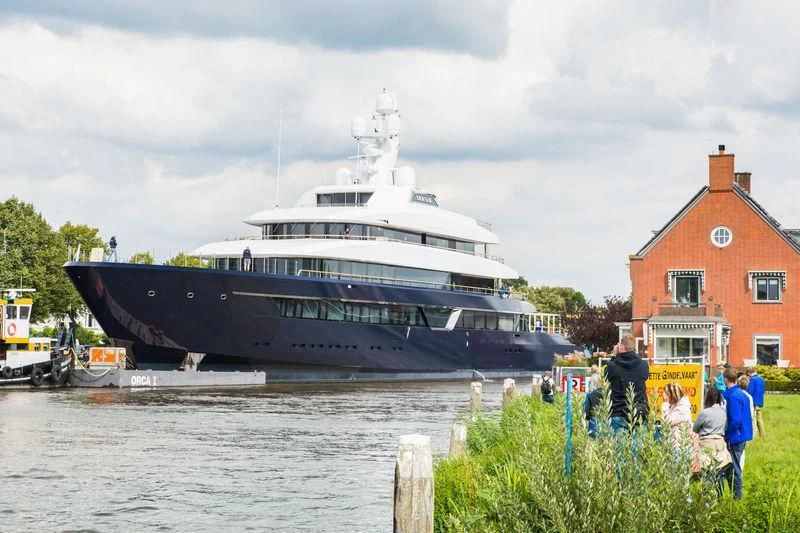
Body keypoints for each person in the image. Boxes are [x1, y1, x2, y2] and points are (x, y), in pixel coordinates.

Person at [692, 388, 733, 496]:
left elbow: (695, 428)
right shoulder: (723, 412)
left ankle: (706, 497)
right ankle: (720, 496)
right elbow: (726, 426)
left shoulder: (705, 413)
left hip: (707, 442)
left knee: (707, 472)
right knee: (719, 472)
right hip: (720, 442)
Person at [603, 335, 649, 431]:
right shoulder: (643, 365)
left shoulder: (613, 365)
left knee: (619, 444)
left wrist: (613, 356)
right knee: (637, 445)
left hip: (618, 412)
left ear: (621, 347)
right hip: (639, 412)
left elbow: (606, 376)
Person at [722, 367, 753, 500]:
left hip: (735, 436)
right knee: (733, 466)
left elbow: (735, 420)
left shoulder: (733, 396)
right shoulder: (741, 394)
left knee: (734, 467)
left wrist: (727, 434)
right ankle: (735, 497)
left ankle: (737, 498)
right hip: (742, 434)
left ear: (725, 379)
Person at [661, 382, 692, 449]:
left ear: (673, 394)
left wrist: (665, 404)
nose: (663, 395)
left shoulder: (682, 408)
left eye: (666, 393)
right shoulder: (675, 406)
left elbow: (665, 422)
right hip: (674, 445)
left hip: (679, 447)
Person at [736, 374, 755, 471]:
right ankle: (740, 469)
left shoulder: (735, 395)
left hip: (736, 424)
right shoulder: (749, 397)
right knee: (742, 449)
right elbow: (751, 414)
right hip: (745, 425)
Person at [746, 367, 766, 437]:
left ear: (749, 373)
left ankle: (753, 435)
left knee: (753, 419)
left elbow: (749, 391)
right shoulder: (761, 379)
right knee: (759, 419)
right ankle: (762, 434)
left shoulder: (752, 380)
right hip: (760, 401)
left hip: (753, 402)